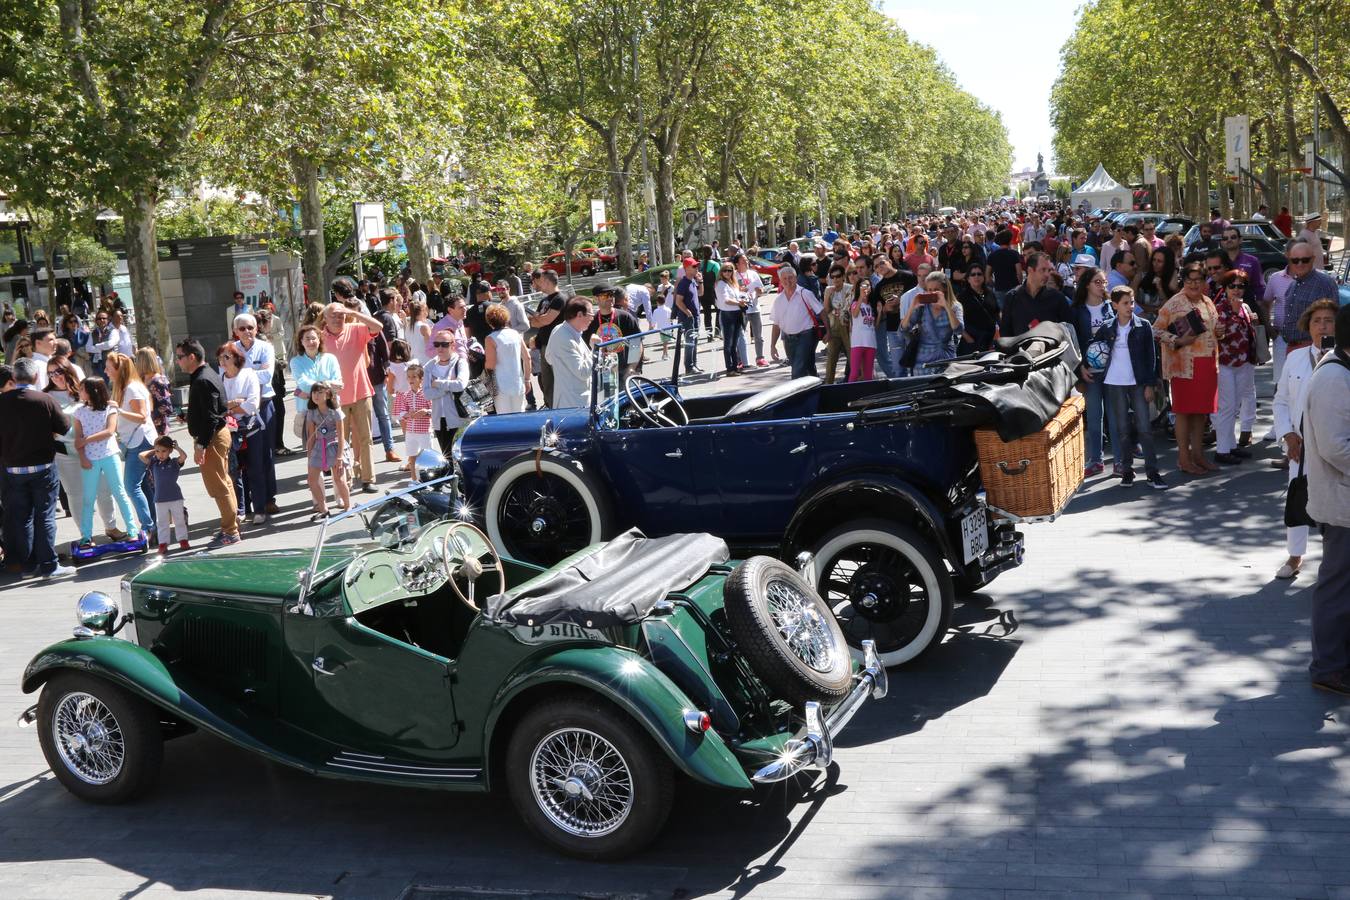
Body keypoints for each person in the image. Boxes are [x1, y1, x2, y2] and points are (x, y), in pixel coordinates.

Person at [1272, 299, 1338, 580]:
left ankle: (1333, 561)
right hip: (1301, 446)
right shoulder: (1295, 358)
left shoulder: (1344, 358)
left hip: (1336, 447)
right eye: (1316, 321)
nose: (1322, 326)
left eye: (1328, 320)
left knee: (1336, 506)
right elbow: (1281, 401)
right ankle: (1295, 556)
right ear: (1307, 327)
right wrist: (1288, 435)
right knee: (1298, 500)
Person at [1304, 304, 1350, 695]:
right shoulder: (1334, 378)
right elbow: (1337, 448)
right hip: (1342, 504)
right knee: (1337, 585)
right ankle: (1329, 667)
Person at [0, 358, 75, 578]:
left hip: (13, 469)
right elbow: (65, 430)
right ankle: (49, 566)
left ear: (14, 378)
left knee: (22, 518)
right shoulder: (45, 399)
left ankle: (29, 566)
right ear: (35, 377)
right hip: (43, 467)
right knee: (45, 516)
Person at [1094, 287, 1167, 489]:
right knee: (1122, 429)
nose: (1130, 307)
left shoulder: (1143, 326)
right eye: (1125, 303)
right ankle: (1127, 470)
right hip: (1114, 382)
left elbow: (1151, 357)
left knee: (1145, 428)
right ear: (1115, 305)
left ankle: (1153, 473)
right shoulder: (1108, 327)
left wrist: (1150, 384)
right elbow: (1095, 349)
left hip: (1138, 382)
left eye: (1132, 302)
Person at [1155, 263, 1220, 475]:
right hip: (1184, 366)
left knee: (1201, 413)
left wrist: (1220, 331)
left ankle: (1198, 455)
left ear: (1203, 282)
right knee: (1183, 412)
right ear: (1184, 281)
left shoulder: (1208, 302)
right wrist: (1178, 340)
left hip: (1208, 365)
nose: (1194, 284)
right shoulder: (1174, 304)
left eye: (1198, 280)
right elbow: (1155, 330)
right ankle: (1184, 458)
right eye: (1190, 280)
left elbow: (1214, 331)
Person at [177, 338, 240, 548]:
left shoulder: (203, 379)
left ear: (192, 357)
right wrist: (190, 417)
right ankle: (231, 524)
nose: (178, 362)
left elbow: (212, 417)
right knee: (224, 482)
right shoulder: (205, 375)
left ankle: (230, 531)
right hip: (216, 435)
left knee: (219, 486)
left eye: (180, 357)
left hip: (212, 438)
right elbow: (210, 411)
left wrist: (200, 446)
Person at [45, 357, 117, 536]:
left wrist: (111, 406)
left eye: (58, 371)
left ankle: (111, 526)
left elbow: (102, 407)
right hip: (65, 453)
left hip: (95, 449)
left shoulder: (83, 389)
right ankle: (86, 535)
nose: (55, 377)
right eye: (50, 373)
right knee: (76, 494)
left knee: (103, 490)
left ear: (67, 370)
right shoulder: (46, 396)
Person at [323, 284, 384, 493]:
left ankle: (368, 479)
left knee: (366, 438)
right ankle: (345, 482)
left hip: (361, 392)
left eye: (340, 316)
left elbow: (377, 327)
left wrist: (352, 312)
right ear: (325, 319)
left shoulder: (355, 328)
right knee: (341, 442)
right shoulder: (320, 337)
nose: (338, 319)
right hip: (336, 399)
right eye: (334, 316)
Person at [71, 376, 142, 549]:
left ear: (92, 391)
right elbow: (77, 439)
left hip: (110, 455)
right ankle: (86, 536)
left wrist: (86, 440)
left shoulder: (110, 408)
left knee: (119, 493)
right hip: (90, 459)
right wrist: (82, 457)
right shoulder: (79, 411)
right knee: (88, 498)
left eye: (82, 389)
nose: (79, 392)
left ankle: (132, 530)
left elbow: (110, 431)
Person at [105, 352, 157, 536]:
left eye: (109, 368)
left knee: (131, 486)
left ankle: (147, 527)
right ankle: (152, 525)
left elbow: (143, 416)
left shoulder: (132, 388)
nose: (106, 371)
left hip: (140, 441)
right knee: (141, 486)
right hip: (134, 441)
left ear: (119, 370)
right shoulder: (125, 387)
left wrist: (117, 410)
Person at [1211, 270, 1258, 465]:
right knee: (1226, 407)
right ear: (1225, 288)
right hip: (1225, 363)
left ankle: (1230, 446)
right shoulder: (1219, 309)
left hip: (1243, 362)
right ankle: (1221, 450)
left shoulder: (1245, 307)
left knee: (1235, 406)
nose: (1237, 290)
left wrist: (1251, 321)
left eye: (1241, 286)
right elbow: (1218, 334)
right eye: (1233, 286)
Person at [1071, 268, 1114, 477]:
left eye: (1104, 282)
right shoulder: (1078, 310)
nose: (1102, 286)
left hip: (1113, 370)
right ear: (1087, 284)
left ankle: (1122, 459)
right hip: (1091, 372)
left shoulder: (1110, 307)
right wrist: (1080, 369)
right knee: (1095, 416)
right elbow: (1074, 342)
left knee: (1116, 416)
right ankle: (1096, 460)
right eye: (1098, 282)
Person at [218, 342, 266, 526]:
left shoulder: (249, 375)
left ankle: (260, 508)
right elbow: (220, 407)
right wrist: (232, 405)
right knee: (236, 472)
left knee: (255, 469)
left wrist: (231, 407)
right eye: (220, 357)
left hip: (250, 429)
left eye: (226, 357)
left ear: (237, 359)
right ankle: (242, 509)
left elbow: (252, 405)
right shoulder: (220, 378)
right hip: (230, 431)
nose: (222, 361)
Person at [302, 382, 350, 519]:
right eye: (314, 393)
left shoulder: (336, 412)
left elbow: (341, 436)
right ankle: (323, 508)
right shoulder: (311, 412)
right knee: (312, 480)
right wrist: (309, 455)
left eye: (320, 392)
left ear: (328, 394)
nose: (316, 396)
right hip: (319, 445)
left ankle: (348, 506)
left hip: (335, 446)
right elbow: (311, 436)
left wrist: (340, 457)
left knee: (339, 479)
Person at [900, 271, 964, 373]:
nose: (932, 293)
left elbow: (958, 330)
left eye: (936, 290)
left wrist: (946, 306)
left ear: (945, 289)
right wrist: (912, 307)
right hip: (922, 362)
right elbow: (904, 329)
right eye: (929, 290)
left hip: (946, 360)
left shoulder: (955, 306)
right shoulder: (922, 307)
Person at [770, 265, 824, 379]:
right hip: (788, 339)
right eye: (784, 278)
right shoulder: (778, 300)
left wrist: (828, 331)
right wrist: (772, 345)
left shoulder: (805, 293)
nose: (788, 281)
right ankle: (816, 385)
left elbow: (821, 311)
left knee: (797, 371)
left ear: (795, 278)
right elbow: (776, 324)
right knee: (806, 366)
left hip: (806, 336)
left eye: (790, 277)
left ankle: (797, 394)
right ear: (780, 280)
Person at [423, 329, 471, 454]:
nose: (440, 348)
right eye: (436, 344)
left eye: (444, 344)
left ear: (452, 345)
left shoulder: (460, 362)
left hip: (459, 417)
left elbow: (460, 384)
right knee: (447, 457)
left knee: (461, 455)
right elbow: (427, 394)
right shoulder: (429, 366)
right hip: (439, 419)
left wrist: (438, 383)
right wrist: (447, 388)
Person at [138, 436, 189, 554]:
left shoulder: (174, 462)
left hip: (175, 498)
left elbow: (184, 457)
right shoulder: (153, 463)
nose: (160, 454)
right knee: (162, 522)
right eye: (158, 451)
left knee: (179, 520)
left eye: (164, 451)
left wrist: (177, 448)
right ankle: (163, 543)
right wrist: (155, 449)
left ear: (170, 451)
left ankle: (183, 540)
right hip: (160, 499)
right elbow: (141, 455)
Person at [1000, 253, 1069, 337]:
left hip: (1051, 349)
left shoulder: (1057, 298)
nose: (1047, 275)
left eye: (1049, 270)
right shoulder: (1012, 297)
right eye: (1043, 270)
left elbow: (1068, 330)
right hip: (1020, 349)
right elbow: (1005, 333)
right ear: (1030, 270)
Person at [545, 298, 595, 409]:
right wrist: (595, 349)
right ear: (580, 315)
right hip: (573, 404)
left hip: (577, 400)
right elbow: (583, 372)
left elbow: (549, 358)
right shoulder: (564, 337)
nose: (592, 319)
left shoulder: (563, 330)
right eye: (591, 315)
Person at [528, 270, 567, 404]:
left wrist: (538, 318)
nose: (538, 283)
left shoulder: (560, 298)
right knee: (547, 381)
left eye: (541, 280)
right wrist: (538, 318)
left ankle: (561, 406)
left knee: (559, 379)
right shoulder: (544, 300)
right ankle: (550, 405)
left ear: (547, 281)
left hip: (557, 346)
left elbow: (547, 320)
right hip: (544, 346)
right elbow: (533, 322)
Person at [484, 302, 530, 413]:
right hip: (518, 382)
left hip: (500, 386)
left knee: (504, 419)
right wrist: (527, 379)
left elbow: (491, 364)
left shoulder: (491, 339)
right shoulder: (516, 334)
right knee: (520, 415)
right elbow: (527, 357)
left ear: (490, 321)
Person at [393, 364, 432, 475]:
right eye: (409, 377)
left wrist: (425, 411)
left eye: (414, 377)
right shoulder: (406, 395)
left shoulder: (427, 394)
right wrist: (407, 414)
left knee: (427, 457)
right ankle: (414, 480)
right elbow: (401, 412)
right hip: (410, 431)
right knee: (412, 456)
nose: (411, 379)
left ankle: (429, 479)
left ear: (421, 379)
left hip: (424, 431)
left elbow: (434, 410)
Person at [713, 265, 750, 377]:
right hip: (728, 314)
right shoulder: (720, 284)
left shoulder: (732, 283)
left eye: (730, 270)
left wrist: (743, 298)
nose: (728, 273)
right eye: (725, 271)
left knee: (734, 343)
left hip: (737, 313)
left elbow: (736, 296)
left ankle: (735, 366)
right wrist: (739, 303)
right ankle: (729, 368)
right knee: (728, 343)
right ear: (721, 272)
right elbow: (725, 300)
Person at [820, 263, 852, 384]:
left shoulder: (849, 288)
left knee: (851, 356)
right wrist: (827, 295)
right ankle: (828, 385)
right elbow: (826, 310)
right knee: (831, 358)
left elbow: (849, 308)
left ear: (843, 276)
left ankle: (857, 382)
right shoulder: (829, 290)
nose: (835, 279)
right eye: (832, 277)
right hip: (834, 327)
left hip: (847, 326)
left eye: (838, 276)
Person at [671, 257, 703, 375]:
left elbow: (700, 293)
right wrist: (687, 312)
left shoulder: (693, 281)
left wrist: (700, 281)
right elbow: (679, 301)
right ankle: (689, 367)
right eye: (694, 266)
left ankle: (694, 364)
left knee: (695, 341)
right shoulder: (683, 283)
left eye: (697, 266)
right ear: (687, 268)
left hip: (696, 316)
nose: (696, 268)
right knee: (690, 342)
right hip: (688, 317)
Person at [734, 254, 767, 367]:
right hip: (741, 309)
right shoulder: (733, 275)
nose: (746, 262)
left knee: (758, 335)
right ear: (737, 264)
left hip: (755, 308)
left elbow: (761, 290)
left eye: (746, 260)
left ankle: (760, 358)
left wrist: (759, 290)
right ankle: (740, 360)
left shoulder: (753, 274)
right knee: (740, 336)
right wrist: (740, 289)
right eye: (743, 261)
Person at [958, 265, 999, 353]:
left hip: (990, 340)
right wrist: (968, 338)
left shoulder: (990, 293)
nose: (976, 276)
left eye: (979, 274)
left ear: (983, 277)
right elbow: (957, 321)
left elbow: (997, 313)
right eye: (973, 274)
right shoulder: (962, 297)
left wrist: (998, 332)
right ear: (968, 279)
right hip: (971, 341)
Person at [135, 348, 174, 437]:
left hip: (158, 428)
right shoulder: (142, 379)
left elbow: (167, 407)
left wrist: (149, 415)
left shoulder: (158, 381)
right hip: (145, 428)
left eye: (137, 360)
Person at [848, 279, 878, 382]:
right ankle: (848, 395)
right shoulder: (855, 303)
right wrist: (861, 296)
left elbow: (875, 326)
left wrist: (880, 313)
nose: (865, 287)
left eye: (868, 285)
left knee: (868, 375)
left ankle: (869, 397)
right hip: (857, 342)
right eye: (862, 285)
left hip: (871, 343)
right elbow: (855, 314)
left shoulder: (872, 305)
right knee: (854, 373)